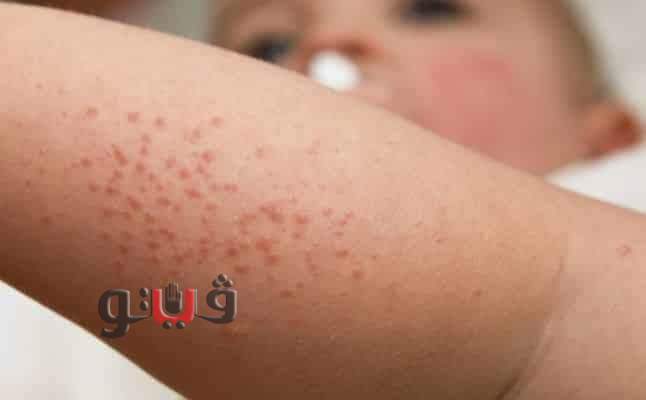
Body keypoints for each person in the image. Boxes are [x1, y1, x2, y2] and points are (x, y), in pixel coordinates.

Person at [1, 2, 646, 399]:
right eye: (268, 46)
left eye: (428, 10)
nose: (329, 41)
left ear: (608, 133)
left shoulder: (621, 197)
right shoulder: (75, 312)